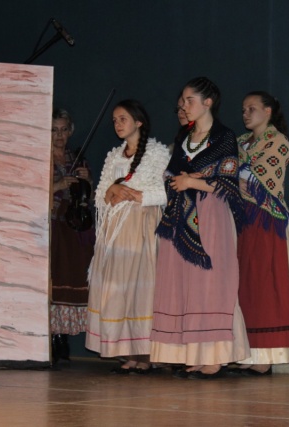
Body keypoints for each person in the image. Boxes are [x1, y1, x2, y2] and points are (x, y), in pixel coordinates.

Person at [150, 76, 250, 379]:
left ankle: (215, 356)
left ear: (208, 102)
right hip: (181, 215)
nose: (184, 105)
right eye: (182, 101)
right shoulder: (184, 136)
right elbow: (171, 174)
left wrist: (192, 181)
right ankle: (192, 354)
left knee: (210, 283)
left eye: (189, 100)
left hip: (211, 214)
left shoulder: (224, 137)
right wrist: (179, 181)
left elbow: (228, 181)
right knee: (183, 283)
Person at [85, 99, 170, 374]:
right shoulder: (115, 155)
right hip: (115, 229)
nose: (118, 124)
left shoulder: (156, 153)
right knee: (118, 288)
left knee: (140, 288)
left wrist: (133, 194)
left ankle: (145, 353)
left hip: (141, 224)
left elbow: (165, 192)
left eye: (123, 119)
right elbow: (101, 195)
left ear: (138, 122)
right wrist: (112, 190)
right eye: (115, 120)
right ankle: (127, 351)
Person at [233, 91, 289, 375]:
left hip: (267, 220)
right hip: (243, 221)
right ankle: (247, 353)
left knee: (265, 287)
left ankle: (265, 358)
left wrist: (233, 175)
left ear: (268, 112)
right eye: (243, 109)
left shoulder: (278, 141)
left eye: (251, 108)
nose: (246, 114)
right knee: (245, 286)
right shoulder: (240, 142)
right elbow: (230, 174)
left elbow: (256, 180)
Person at [50, 108, 95, 365]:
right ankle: (52, 337)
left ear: (71, 131)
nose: (59, 135)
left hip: (73, 224)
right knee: (52, 278)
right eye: (54, 130)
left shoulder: (77, 158)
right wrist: (57, 185)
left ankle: (62, 335)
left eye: (64, 129)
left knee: (70, 276)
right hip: (51, 224)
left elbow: (89, 197)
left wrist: (88, 180)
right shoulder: (41, 157)